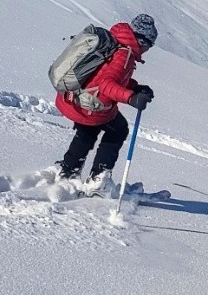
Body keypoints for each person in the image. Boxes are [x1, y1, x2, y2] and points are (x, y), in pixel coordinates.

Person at [55, 13, 157, 186]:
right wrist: (131, 98)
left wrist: (135, 87)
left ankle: (67, 170)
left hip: (75, 98)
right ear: (142, 41)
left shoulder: (115, 43)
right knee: (118, 129)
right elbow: (106, 84)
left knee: (88, 132)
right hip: (90, 105)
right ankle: (98, 179)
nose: (148, 50)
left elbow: (106, 77)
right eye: (149, 45)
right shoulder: (124, 54)